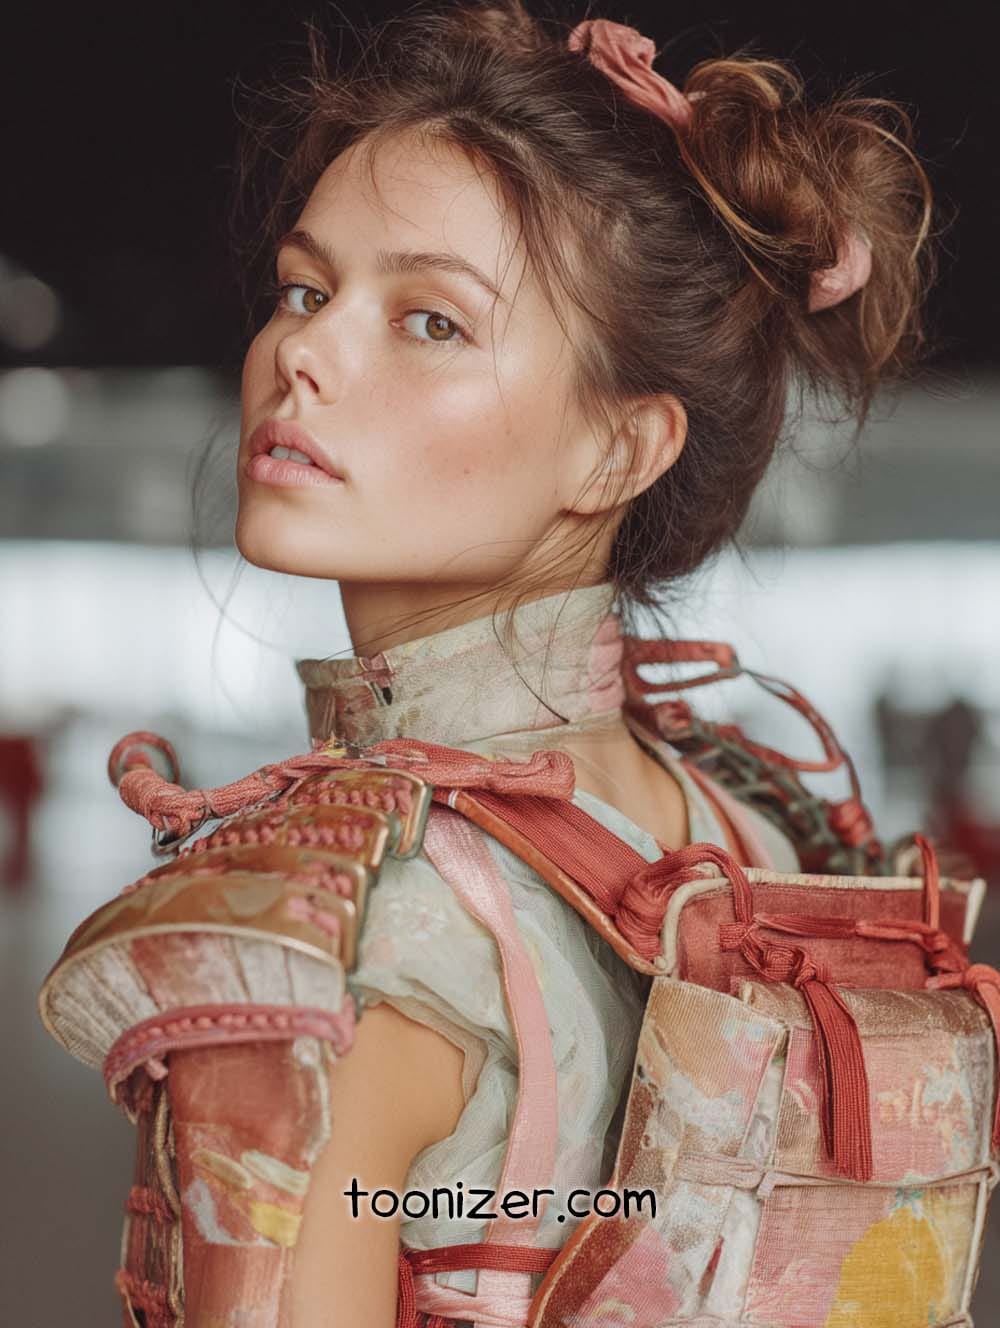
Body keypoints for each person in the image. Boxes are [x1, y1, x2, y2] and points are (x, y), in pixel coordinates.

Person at [66, 1, 941, 1323]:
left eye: (432, 322)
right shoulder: (761, 819)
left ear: (621, 450)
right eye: (308, 287)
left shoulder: (344, 930)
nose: (303, 351)